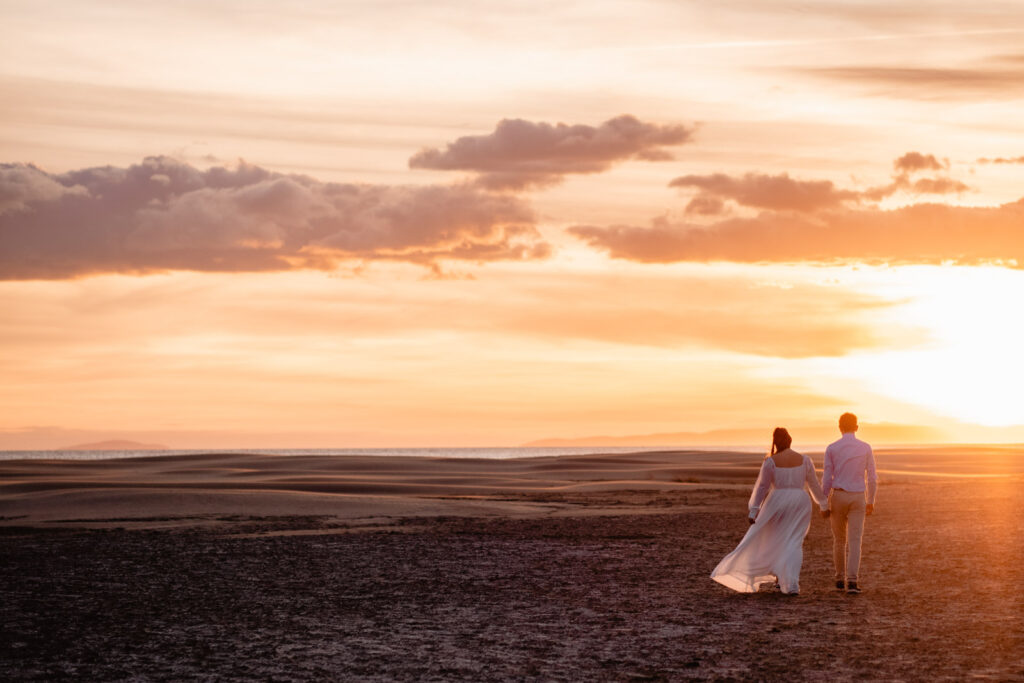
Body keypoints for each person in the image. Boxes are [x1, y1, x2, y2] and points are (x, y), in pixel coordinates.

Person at [711, 427, 828, 595]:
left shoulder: (771, 461)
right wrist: (823, 505)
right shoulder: (805, 460)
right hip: (800, 501)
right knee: (794, 542)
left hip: (777, 501)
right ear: (790, 440)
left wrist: (754, 511)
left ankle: (783, 580)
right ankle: (790, 583)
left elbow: (762, 488)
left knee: (776, 538)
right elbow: (814, 485)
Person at [822, 412, 877, 594]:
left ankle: (839, 579)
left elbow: (827, 479)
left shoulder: (832, 448)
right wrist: (871, 500)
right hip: (858, 496)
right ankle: (852, 581)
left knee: (839, 540)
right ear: (856, 427)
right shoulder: (865, 447)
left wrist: (823, 503)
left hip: (838, 495)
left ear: (840, 427)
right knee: (855, 540)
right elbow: (872, 477)